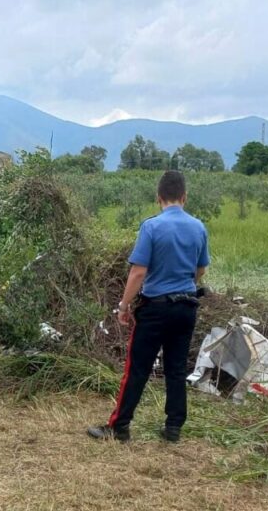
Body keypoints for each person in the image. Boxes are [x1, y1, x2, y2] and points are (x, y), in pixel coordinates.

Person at [87, 170, 209, 443]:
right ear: (184, 197)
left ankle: (119, 426)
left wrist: (124, 305)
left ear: (159, 198)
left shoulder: (152, 227)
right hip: (187, 306)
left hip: (156, 309)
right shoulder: (199, 227)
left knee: (138, 368)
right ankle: (174, 427)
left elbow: (138, 272)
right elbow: (200, 269)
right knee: (176, 369)